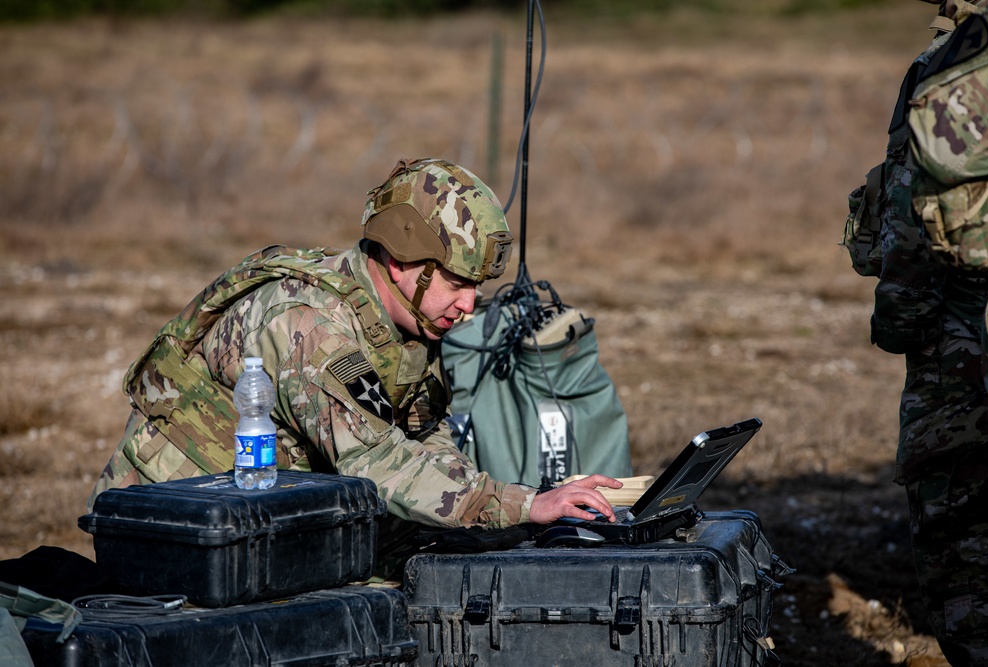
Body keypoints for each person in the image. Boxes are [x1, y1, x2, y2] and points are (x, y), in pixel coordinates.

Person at [88, 157, 623, 573]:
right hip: (169, 527)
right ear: (400, 260)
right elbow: (378, 463)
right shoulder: (310, 326)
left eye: (476, 288)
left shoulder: (405, 320)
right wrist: (522, 504)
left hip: (261, 507)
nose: (469, 306)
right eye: (458, 284)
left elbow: (424, 433)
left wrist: (505, 510)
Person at [867, 1, 988, 663]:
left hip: (962, 336)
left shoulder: (951, 67)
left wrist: (901, 320)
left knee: (967, 535)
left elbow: (909, 212)